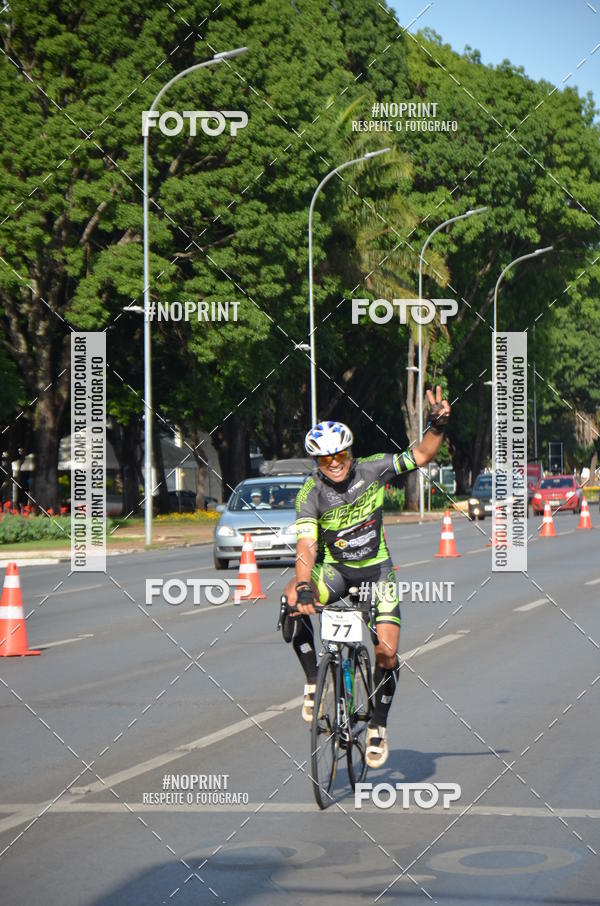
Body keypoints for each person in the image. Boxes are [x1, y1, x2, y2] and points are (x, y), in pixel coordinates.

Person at [283, 387, 451, 768]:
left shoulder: (373, 468)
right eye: (326, 459)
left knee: (386, 653)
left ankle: (377, 724)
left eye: (340, 455)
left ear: (350, 452)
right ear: (317, 463)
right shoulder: (309, 494)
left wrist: (437, 426)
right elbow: (307, 546)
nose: (335, 463)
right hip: (336, 571)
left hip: (378, 571)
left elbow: (422, 455)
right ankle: (313, 681)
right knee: (292, 599)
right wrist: (306, 584)